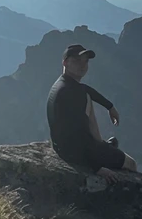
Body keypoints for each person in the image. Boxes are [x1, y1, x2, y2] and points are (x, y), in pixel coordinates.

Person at [47, 43, 137, 181]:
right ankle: (101, 147)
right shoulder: (73, 95)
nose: (82, 65)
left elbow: (86, 89)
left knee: (87, 98)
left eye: (85, 61)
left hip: (62, 147)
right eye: (77, 61)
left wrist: (110, 106)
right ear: (65, 62)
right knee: (131, 163)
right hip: (76, 153)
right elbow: (80, 133)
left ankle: (100, 144)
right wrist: (97, 167)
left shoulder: (63, 85)